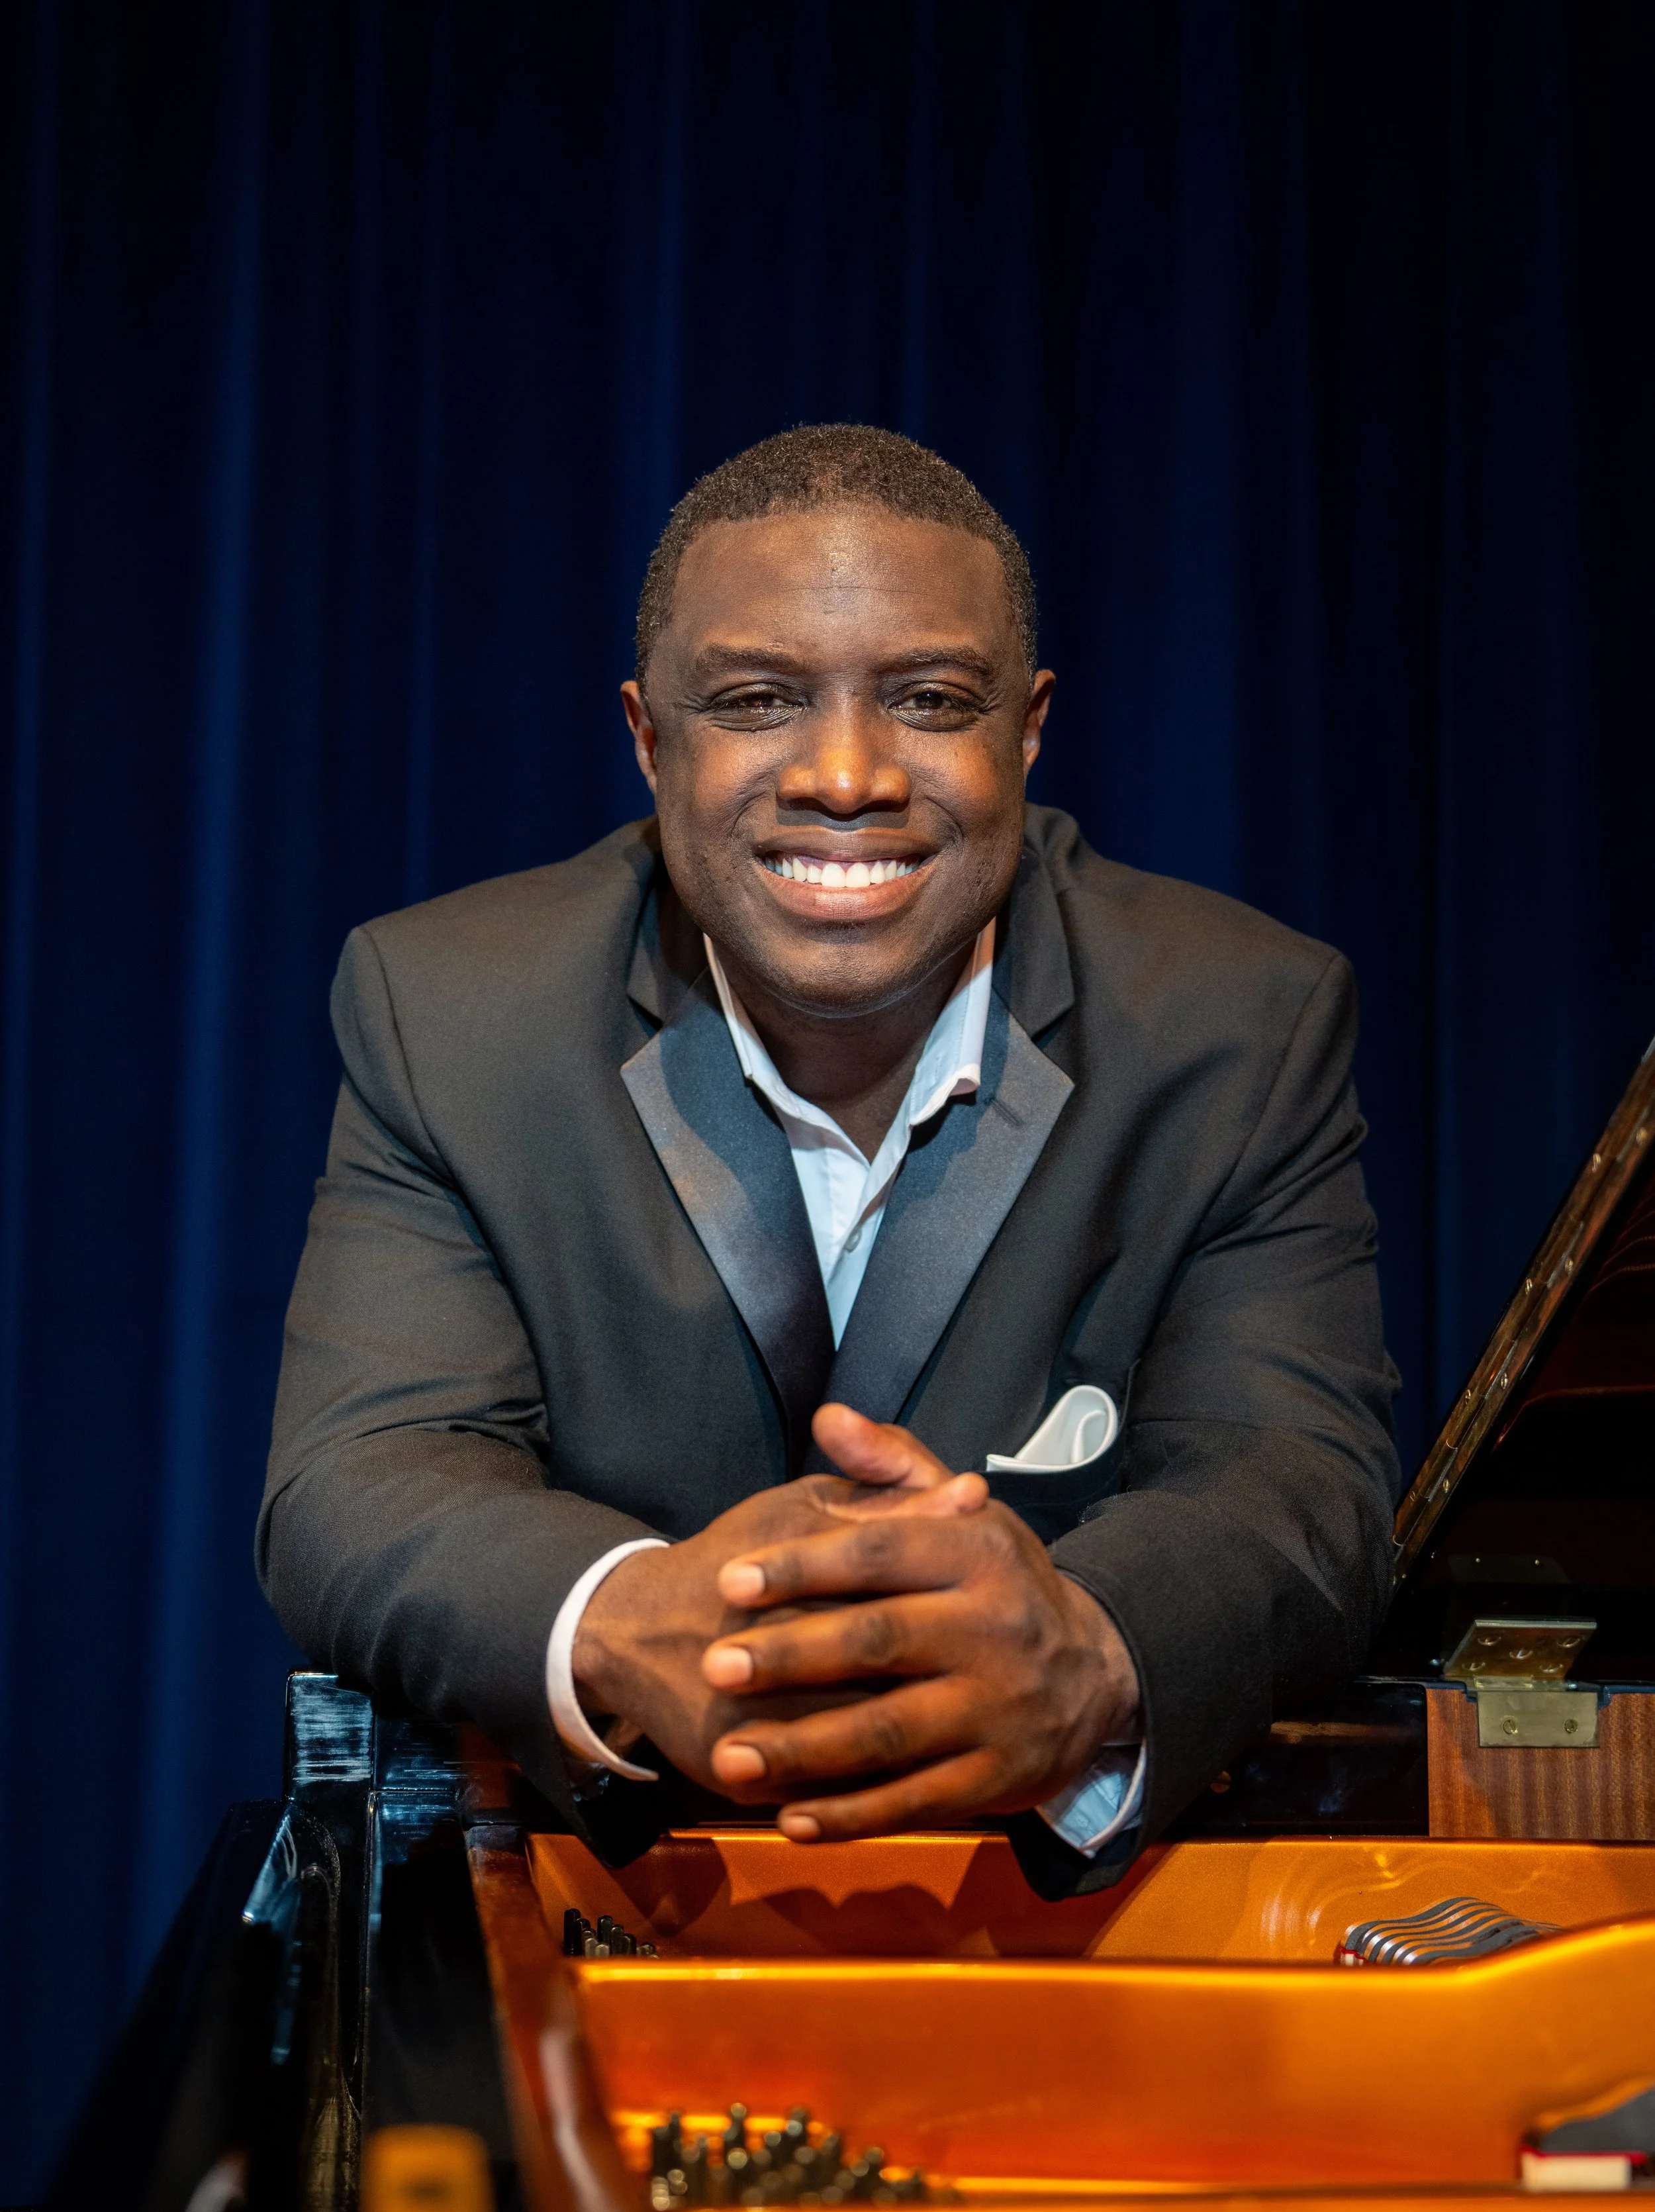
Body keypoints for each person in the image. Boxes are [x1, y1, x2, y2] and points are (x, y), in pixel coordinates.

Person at [259, 424, 1398, 1899]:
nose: (847, 775)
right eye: (755, 701)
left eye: (928, 700)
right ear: (649, 740)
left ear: (1028, 730)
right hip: (592, 1917)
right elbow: (361, 1475)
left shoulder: (1242, 1023)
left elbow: (1295, 1479)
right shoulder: (448, 1012)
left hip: (1077, 1942)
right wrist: (624, 1611)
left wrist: (1088, 1644)